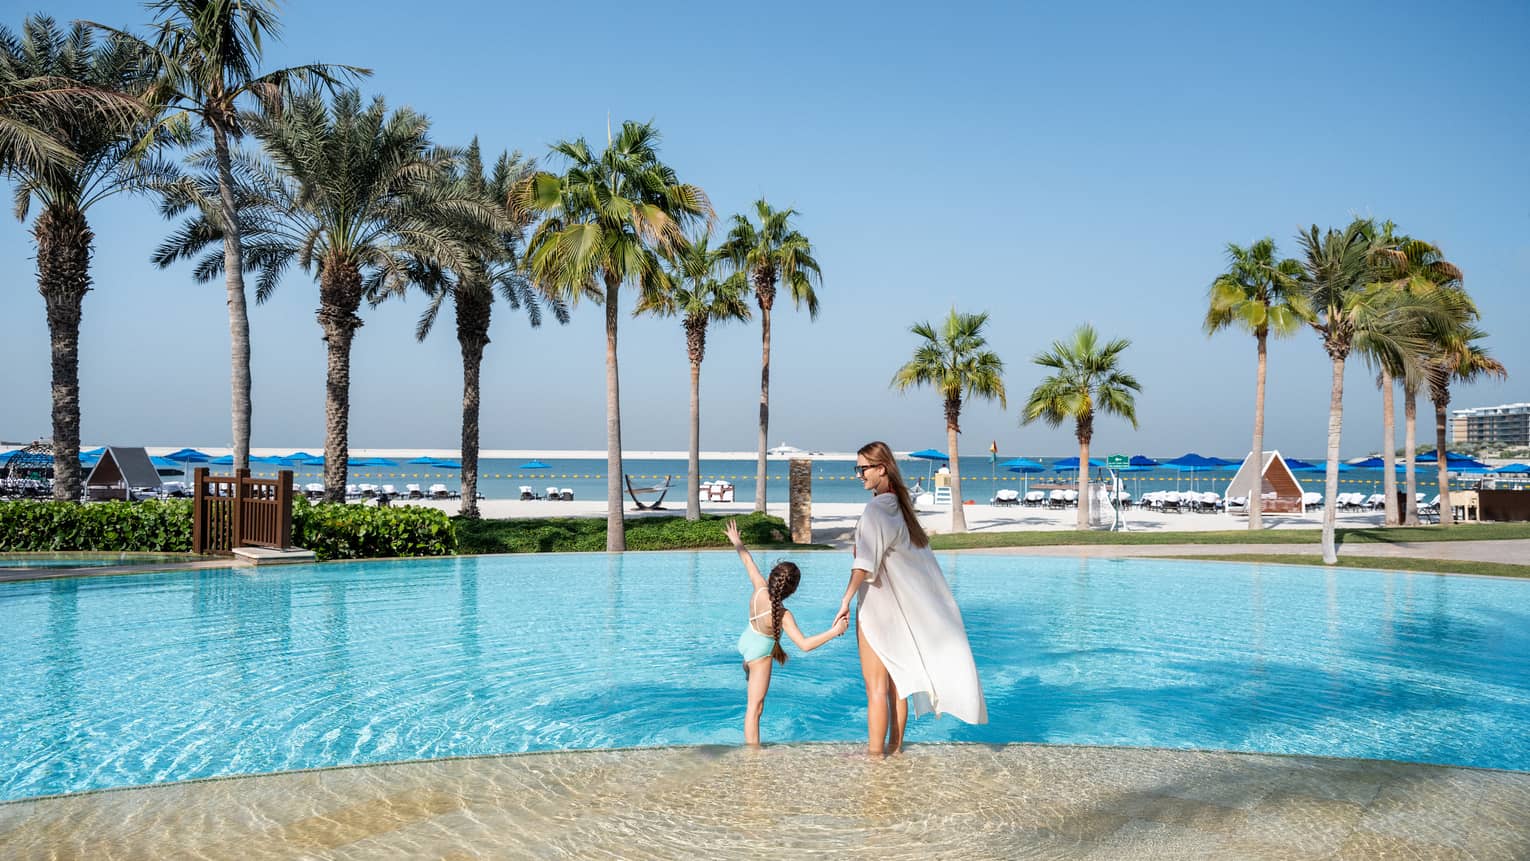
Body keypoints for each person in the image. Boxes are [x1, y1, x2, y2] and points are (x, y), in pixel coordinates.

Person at [835, 441, 987, 755]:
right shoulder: (900, 509)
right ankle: (895, 749)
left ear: (881, 468)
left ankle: (875, 760)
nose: (859, 475)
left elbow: (863, 563)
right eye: (858, 468)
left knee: (876, 690)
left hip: (877, 612)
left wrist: (845, 601)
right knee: (896, 688)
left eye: (863, 468)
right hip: (898, 615)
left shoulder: (877, 508)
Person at [726, 519, 848, 746]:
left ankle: (746, 666)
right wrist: (835, 630)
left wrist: (737, 541)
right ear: (792, 590)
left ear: (772, 578)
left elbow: (747, 560)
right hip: (760, 654)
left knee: (752, 690)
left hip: (747, 640)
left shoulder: (759, 588)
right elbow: (804, 645)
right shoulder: (783, 615)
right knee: (755, 708)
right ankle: (753, 757)